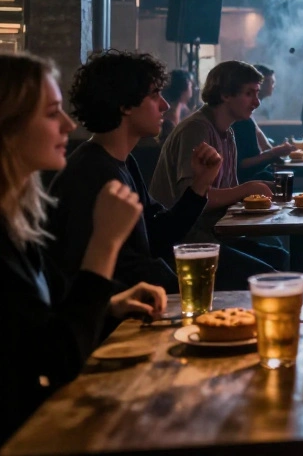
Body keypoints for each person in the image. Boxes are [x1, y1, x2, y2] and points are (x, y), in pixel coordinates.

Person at [0, 53, 165, 443]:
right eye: (52, 113)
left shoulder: (15, 220)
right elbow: (57, 359)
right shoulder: (89, 173)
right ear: (8, 127)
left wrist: (110, 306)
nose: (69, 125)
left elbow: (39, 325)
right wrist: (104, 244)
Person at [47, 51, 223, 293]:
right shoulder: (92, 173)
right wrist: (182, 289)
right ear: (125, 105)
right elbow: (114, 270)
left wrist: (200, 185)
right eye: (154, 95)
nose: (165, 105)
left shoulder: (123, 161)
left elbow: (158, 236)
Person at [150, 60, 284, 284]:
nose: (257, 102)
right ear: (225, 95)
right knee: (271, 277)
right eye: (249, 94)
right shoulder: (196, 129)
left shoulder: (227, 133)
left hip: (214, 232)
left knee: (279, 255)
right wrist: (248, 189)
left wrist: (263, 195)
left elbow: (227, 194)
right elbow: (192, 197)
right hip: (184, 240)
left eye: (257, 93)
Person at [233, 64, 292, 184]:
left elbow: (262, 139)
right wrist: (274, 153)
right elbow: (240, 165)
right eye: (249, 93)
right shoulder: (240, 120)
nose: (257, 102)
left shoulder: (247, 117)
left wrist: (275, 152)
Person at [159, 69, 193, 143]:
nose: (192, 89)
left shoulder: (182, 112)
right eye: (190, 86)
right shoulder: (168, 121)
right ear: (184, 89)